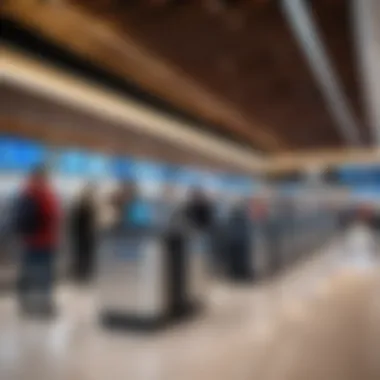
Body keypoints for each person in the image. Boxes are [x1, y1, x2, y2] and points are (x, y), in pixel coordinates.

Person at [14, 165, 60, 316]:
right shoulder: (45, 195)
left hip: (29, 241)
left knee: (30, 273)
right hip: (45, 242)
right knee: (44, 274)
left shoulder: (25, 193)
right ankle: (42, 305)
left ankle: (27, 304)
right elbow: (52, 216)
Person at [70, 184, 96, 283]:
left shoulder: (81, 207)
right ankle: (82, 274)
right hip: (84, 236)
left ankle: (82, 274)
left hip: (83, 236)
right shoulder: (85, 208)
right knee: (83, 255)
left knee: (83, 255)